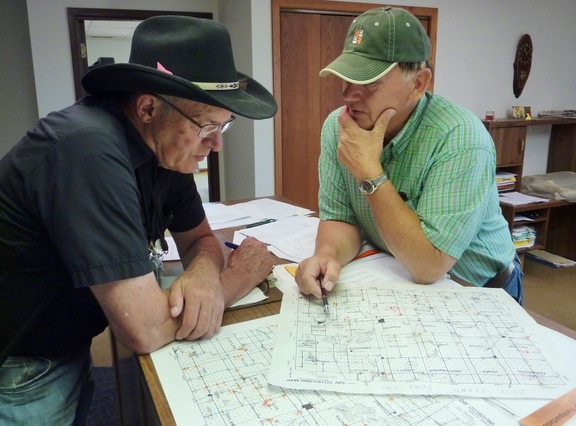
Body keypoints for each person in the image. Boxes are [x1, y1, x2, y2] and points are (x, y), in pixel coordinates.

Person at [0, 16, 277, 424]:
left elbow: (199, 239)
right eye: (207, 126)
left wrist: (202, 274)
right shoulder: (87, 148)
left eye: (224, 126)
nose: (216, 144)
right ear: (148, 107)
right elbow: (144, 330)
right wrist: (238, 278)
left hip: (68, 339)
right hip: (22, 366)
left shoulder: (168, 150)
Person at [295, 7, 523, 306]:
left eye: (370, 82)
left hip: (478, 288)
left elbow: (429, 265)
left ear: (418, 83)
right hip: (398, 273)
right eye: (346, 77)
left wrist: (369, 173)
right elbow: (340, 219)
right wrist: (326, 255)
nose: (349, 95)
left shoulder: (459, 137)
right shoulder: (338, 126)